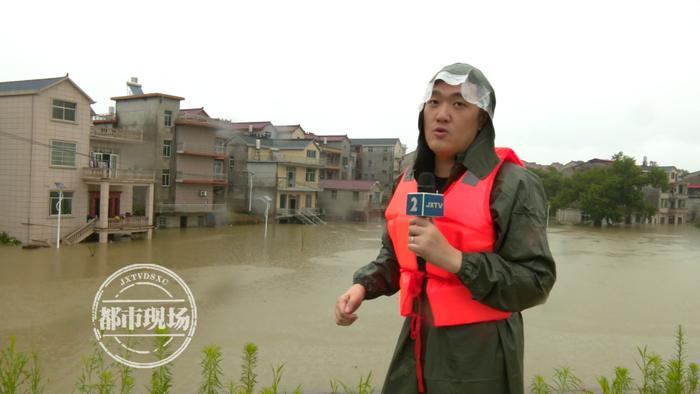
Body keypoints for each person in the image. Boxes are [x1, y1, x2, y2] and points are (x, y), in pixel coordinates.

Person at [335, 63, 556, 393]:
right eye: (434, 102)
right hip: (416, 340)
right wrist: (364, 286)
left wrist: (456, 260)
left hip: (479, 354)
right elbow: (396, 256)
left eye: (459, 104)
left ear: (482, 118)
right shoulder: (408, 180)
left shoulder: (513, 185)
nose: (442, 114)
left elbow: (536, 281)